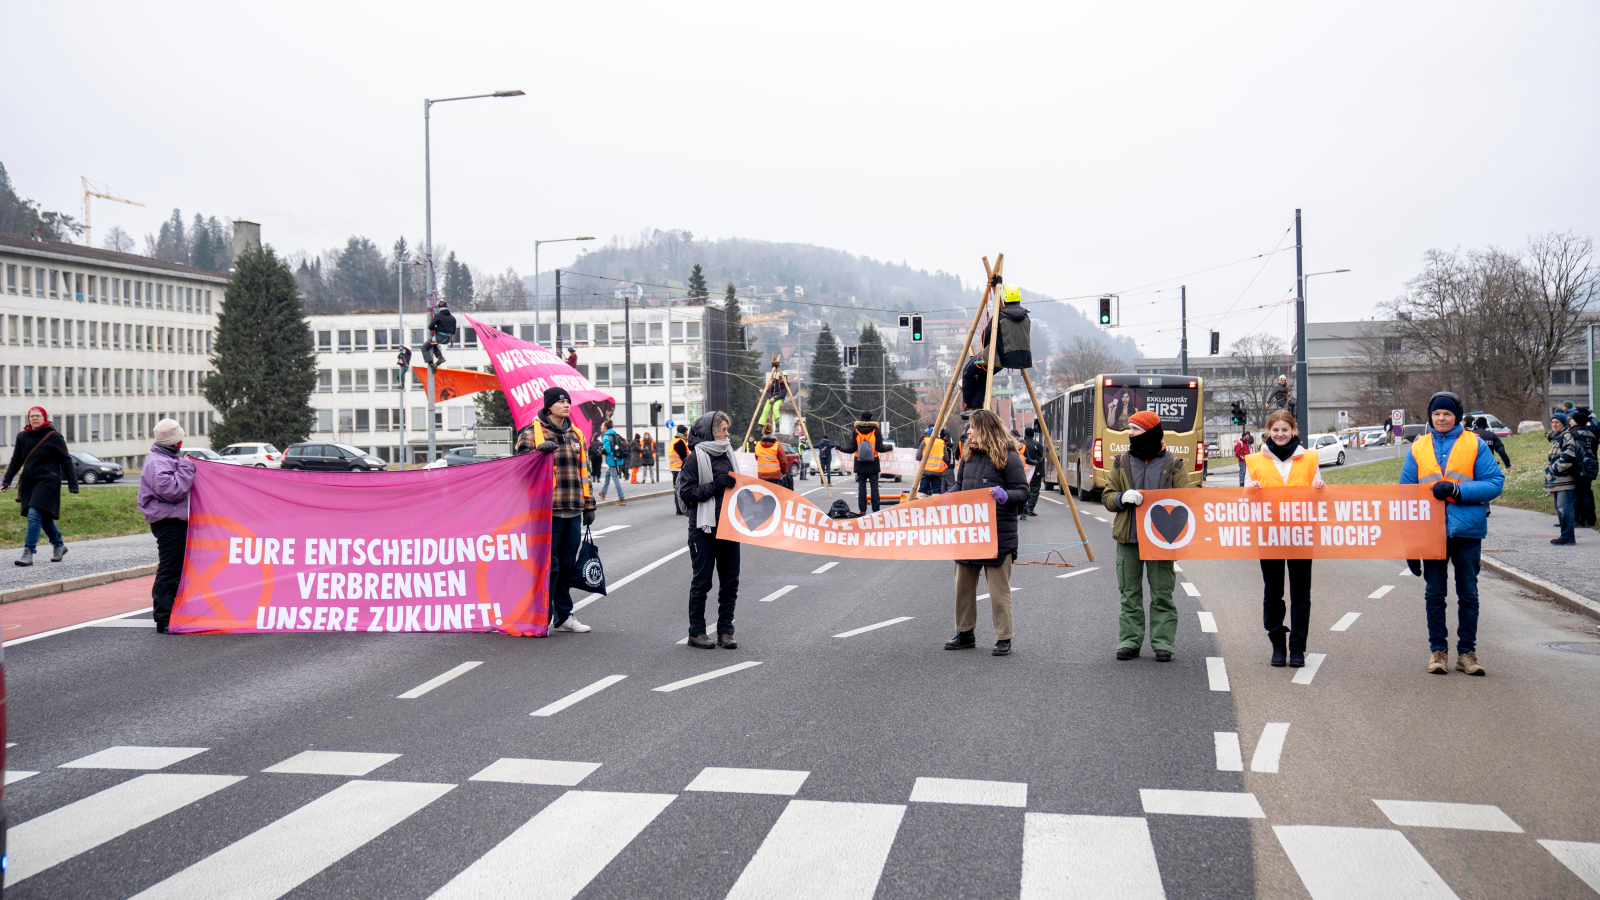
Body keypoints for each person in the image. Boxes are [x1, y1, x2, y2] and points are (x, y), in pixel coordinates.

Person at [1401, 391, 1504, 675]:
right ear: (1430, 416)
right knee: (1435, 594)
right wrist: (1409, 543)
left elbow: (1495, 482)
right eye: (1437, 414)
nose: (1442, 418)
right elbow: (1405, 494)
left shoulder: (1476, 444)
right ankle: (1439, 652)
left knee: (1468, 593)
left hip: (1467, 532)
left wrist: (1458, 490)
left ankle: (1467, 654)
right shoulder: (1418, 446)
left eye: (1447, 413)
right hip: (1430, 532)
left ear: (1456, 416)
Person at [1104, 410, 1197, 662]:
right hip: (1128, 538)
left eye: (1135, 429)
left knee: (1162, 593)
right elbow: (1107, 496)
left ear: (1150, 432)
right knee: (1129, 593)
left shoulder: (1174, 464)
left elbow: (1187, 501)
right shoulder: (1121, 462)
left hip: (1160, 540)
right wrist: (1121, 498)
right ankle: (1129, 641)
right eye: (1130, 429)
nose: (1130, 434)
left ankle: (1163, 643)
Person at [1244, 409, 1326, 668]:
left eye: (1285, 429)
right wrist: (1251, 492)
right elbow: (1246, 496)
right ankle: (1277, 643)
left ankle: (1298, 648)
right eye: (1275, 430)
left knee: (1301, 595)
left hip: (1301, 534)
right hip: (1269, 534)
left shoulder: (1310, 458)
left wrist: (1321, 491)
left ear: (1294, 431)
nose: (1280, 434)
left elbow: (1318, 494)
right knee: (1273, 593)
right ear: (1268, 432)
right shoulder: (1254, 460)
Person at [944, 409, 1028, 656]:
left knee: (999, 592)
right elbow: (961, 484)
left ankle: (1004, 637)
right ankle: (965, 633)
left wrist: (1005, 496)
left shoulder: (1009, 457)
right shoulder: (968, 455)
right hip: (969, 535)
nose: (968, 431)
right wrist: (952, 492)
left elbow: (1023, 492)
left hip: (997, 537)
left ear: (986, 430)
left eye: (972, 427)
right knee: (963, 588)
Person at [528, 386, 597, 634]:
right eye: (561, 401)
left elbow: (585, 473)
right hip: (547, 511)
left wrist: (589, 505)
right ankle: (543, 615)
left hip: (574, 509)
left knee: (567, 564)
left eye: (568, 401)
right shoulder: (532, 432)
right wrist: (537, 453)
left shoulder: (576, 433)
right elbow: (520, 468)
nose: (567, 405)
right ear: (549, 407)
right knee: (550, 566)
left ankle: (563, 615)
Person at [677, 411, 742, 649]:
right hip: (703, 528)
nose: (727, 434)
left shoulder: (729, 453)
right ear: (710, 431)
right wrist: (715, 486)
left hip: (729, 525)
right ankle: (697, 632)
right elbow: (686, 493)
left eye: (727, 429)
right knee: (702, 581)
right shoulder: (695, 458)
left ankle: (725, 631)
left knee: (730, 581)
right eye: (723, 429)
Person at [138, 418, 197, 633]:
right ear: (175, 442)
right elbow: (171, 491)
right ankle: (164, 618)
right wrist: (187, 467)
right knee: (170, 568)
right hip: (169, 522)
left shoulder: (166, 458)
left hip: (173, 520)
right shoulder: (157, 462)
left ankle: (172, 612)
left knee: (176, 567)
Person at [3, 406, 79, 566]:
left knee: (33, 514)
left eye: (38, 416)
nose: (35, 418)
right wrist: (6, 480)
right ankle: (59, 545)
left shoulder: (54, 437)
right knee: (42, 517)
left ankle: (28, 552)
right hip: (29, 482)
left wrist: (73, 483)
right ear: (28, 419)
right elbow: (16, 460)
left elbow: (66, 460)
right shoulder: (22, 437)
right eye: (32, 416)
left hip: (48, 481)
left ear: (44, 418)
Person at [1547, 411, 1581, 546]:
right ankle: (1565, 535)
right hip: (1558, 479)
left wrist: (1554, 469)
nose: (1554, 425)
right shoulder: (1557, 437)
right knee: (1559, 507)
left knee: (1564, 508)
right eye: (1553, 422)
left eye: (1557, 422)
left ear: (1563, 424)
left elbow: (1568, 456)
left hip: (1565, 478)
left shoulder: (1566, 436)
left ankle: (1568, 537)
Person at [849, 410, 889, 513]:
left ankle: (862, 510)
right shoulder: (876, 430)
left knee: (861, 487)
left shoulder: (856, 430)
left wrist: (840, 448)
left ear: (861, 418)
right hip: (873, 463)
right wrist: (889, 448)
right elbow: (879, 448)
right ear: (871, 418)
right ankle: (876, 510)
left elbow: (852, 448)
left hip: (860, 463)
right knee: (874, 487)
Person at [1567, 408, 1597, 528]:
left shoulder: (1572, 433)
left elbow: (1570, 451)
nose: (1570, 421)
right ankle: (1588, 519)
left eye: (1572, 420)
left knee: (1577, 492)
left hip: (1578, 466)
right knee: (1586, 491)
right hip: (1590, 466)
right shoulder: (1592, 434)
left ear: (1577, 421)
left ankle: (1577, 519)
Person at [598, 420, 627, 505]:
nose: (601, 427)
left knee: (615, 479)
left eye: (602, 426)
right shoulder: (613, 433)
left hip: (611, 460)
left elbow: (607, 449)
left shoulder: (606, 436)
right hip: (616, 458)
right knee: (607, 474)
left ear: (605, 428)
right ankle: (603, 493)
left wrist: (601, 451)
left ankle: (622, 498)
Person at [916, 426, 949, 498]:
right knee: (936, 492)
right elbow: (946, 458)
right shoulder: (942, 443)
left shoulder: (925, 442)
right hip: (938, 471)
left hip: (926, 470)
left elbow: (918, 457)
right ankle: (935, 506)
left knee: (922, 490)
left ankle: (921, 506)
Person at [423, 300, 456, 369]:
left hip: (440, 337)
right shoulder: (453, 318)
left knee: (424, 348)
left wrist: (436, 326)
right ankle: (439, 356)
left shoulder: (438, 316)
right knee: (432, 344)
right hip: (447, 340)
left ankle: (431, 364)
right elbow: (453, 332)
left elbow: (430, 327)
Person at [1022, 426, 1044, 518]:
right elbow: (1041, 455)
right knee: (1034, 489)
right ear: (1033, 435)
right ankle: (1030, 508)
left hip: (1022, 470)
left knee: (1022, 488)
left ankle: (1022, 508)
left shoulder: (1021, 444)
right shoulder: (1037, 445)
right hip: (1035, 470)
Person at [669, 424, 690, 515]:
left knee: (677, 488)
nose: (688, 433)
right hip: (679, 468)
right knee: (679, 488)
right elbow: (684, 457)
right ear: (684, 432)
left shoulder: (674, 440)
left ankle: (679, 509)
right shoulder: (680, 442)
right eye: (686, 431)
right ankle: (680, 509)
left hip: (675, 468)